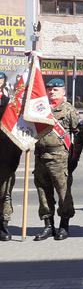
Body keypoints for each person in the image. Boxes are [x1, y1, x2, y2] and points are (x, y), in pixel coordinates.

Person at [33, 78, 83, 241]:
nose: (51, 91)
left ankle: (64, 225)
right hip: (40, 156)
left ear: (63, 91)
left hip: (60, 158)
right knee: (43, 192)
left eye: (56, 89)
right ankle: (48, 225)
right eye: (49, 88)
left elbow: (79, 135)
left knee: (63, 194)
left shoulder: (69, 110)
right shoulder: (39, 109)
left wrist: (74, 158)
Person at [0, 87, 22, 242]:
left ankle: (2, 226)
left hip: (4, 159)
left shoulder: (11, 106)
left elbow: (17, 134)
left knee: (3, 195)